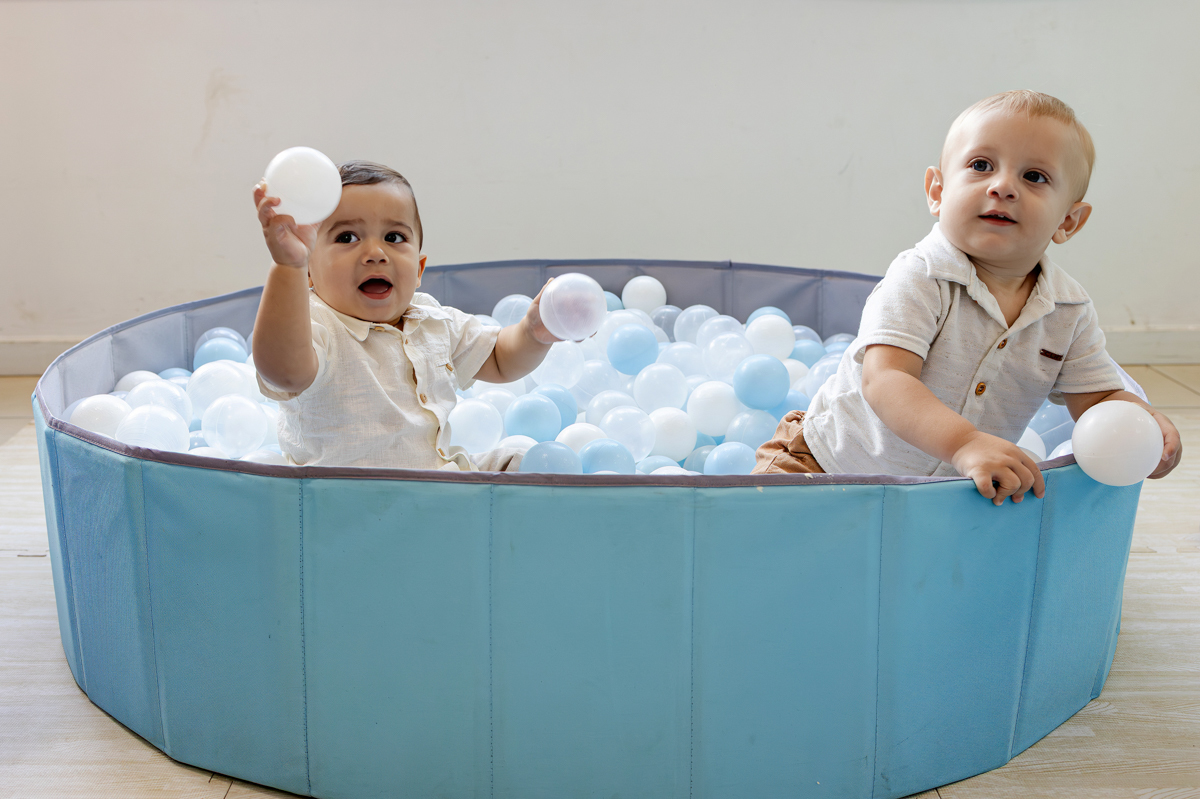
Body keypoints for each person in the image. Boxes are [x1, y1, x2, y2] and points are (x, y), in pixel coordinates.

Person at [754, 90, 1182, 503]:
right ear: (938, 192)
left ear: (1068, 221)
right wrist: (966, 443)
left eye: (1034, 177)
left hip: (943, 494)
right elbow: (886, 379)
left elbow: (1098, 397)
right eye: (981, 165)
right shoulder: (921, 276)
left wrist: (1142, 422)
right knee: (759, 534)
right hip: (823, 462)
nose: (1002, 186)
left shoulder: (1068, 310)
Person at [251, 160, 557, 470]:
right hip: (348, 502)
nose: (375, 253)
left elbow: (500, 360)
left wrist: (532, 333)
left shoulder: (433, 320)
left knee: (526, 460)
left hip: (440, 486)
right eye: (347, 238)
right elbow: (284, 370)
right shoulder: (316, 325)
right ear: (309, 274)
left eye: (394, 237)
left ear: (420, 269)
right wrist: (287, 267)